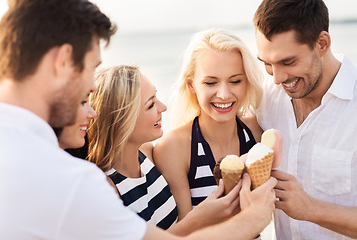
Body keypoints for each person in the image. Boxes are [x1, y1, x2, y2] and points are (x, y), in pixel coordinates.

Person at [0, 0, 276, 239]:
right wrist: (254, 217)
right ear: (62, 61)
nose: (93, 89)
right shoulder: (68, 181)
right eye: (92, 68)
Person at [87, 65, 243, 234]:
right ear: (122, 122)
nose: (163, 107)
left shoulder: (147, 154)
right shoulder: (107, 188)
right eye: (151, 104)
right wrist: (200, 216)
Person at [253, 0, 357, 239]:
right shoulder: (265, 97)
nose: (277, 78)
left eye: (288, 62)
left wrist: (311, 209)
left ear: (322, 44)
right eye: (267, 64)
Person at [153, 28, 265, 220]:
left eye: (235, 81)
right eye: (211, 83)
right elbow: (183, 230)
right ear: (191, 85)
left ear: (246, 82)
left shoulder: (257, 133)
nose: (224, 94)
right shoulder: (173, 147)